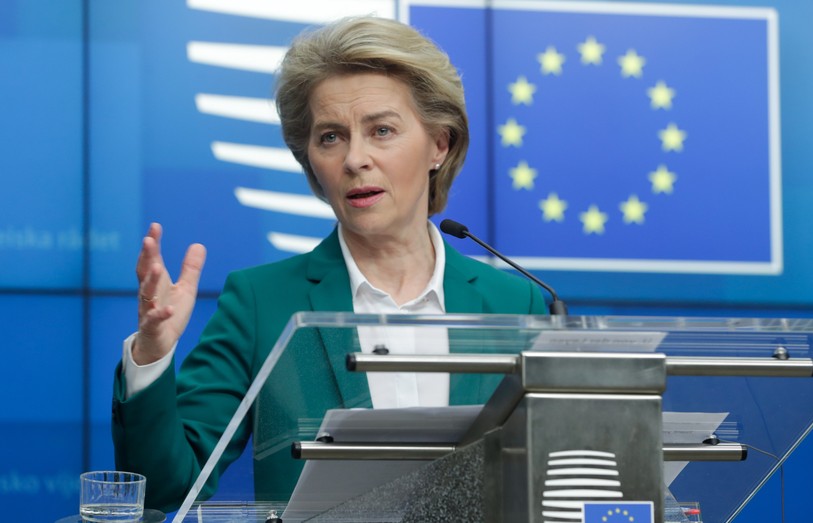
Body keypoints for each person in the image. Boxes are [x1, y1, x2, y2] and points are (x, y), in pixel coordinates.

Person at [112, 16, 547, 512]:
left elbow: (553, 481)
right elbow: (167, 486)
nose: (355, 158)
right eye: (330, 137)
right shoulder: (262, 303)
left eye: (381, 130)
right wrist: (150, 355)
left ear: (439, 144)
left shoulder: (516, 302)